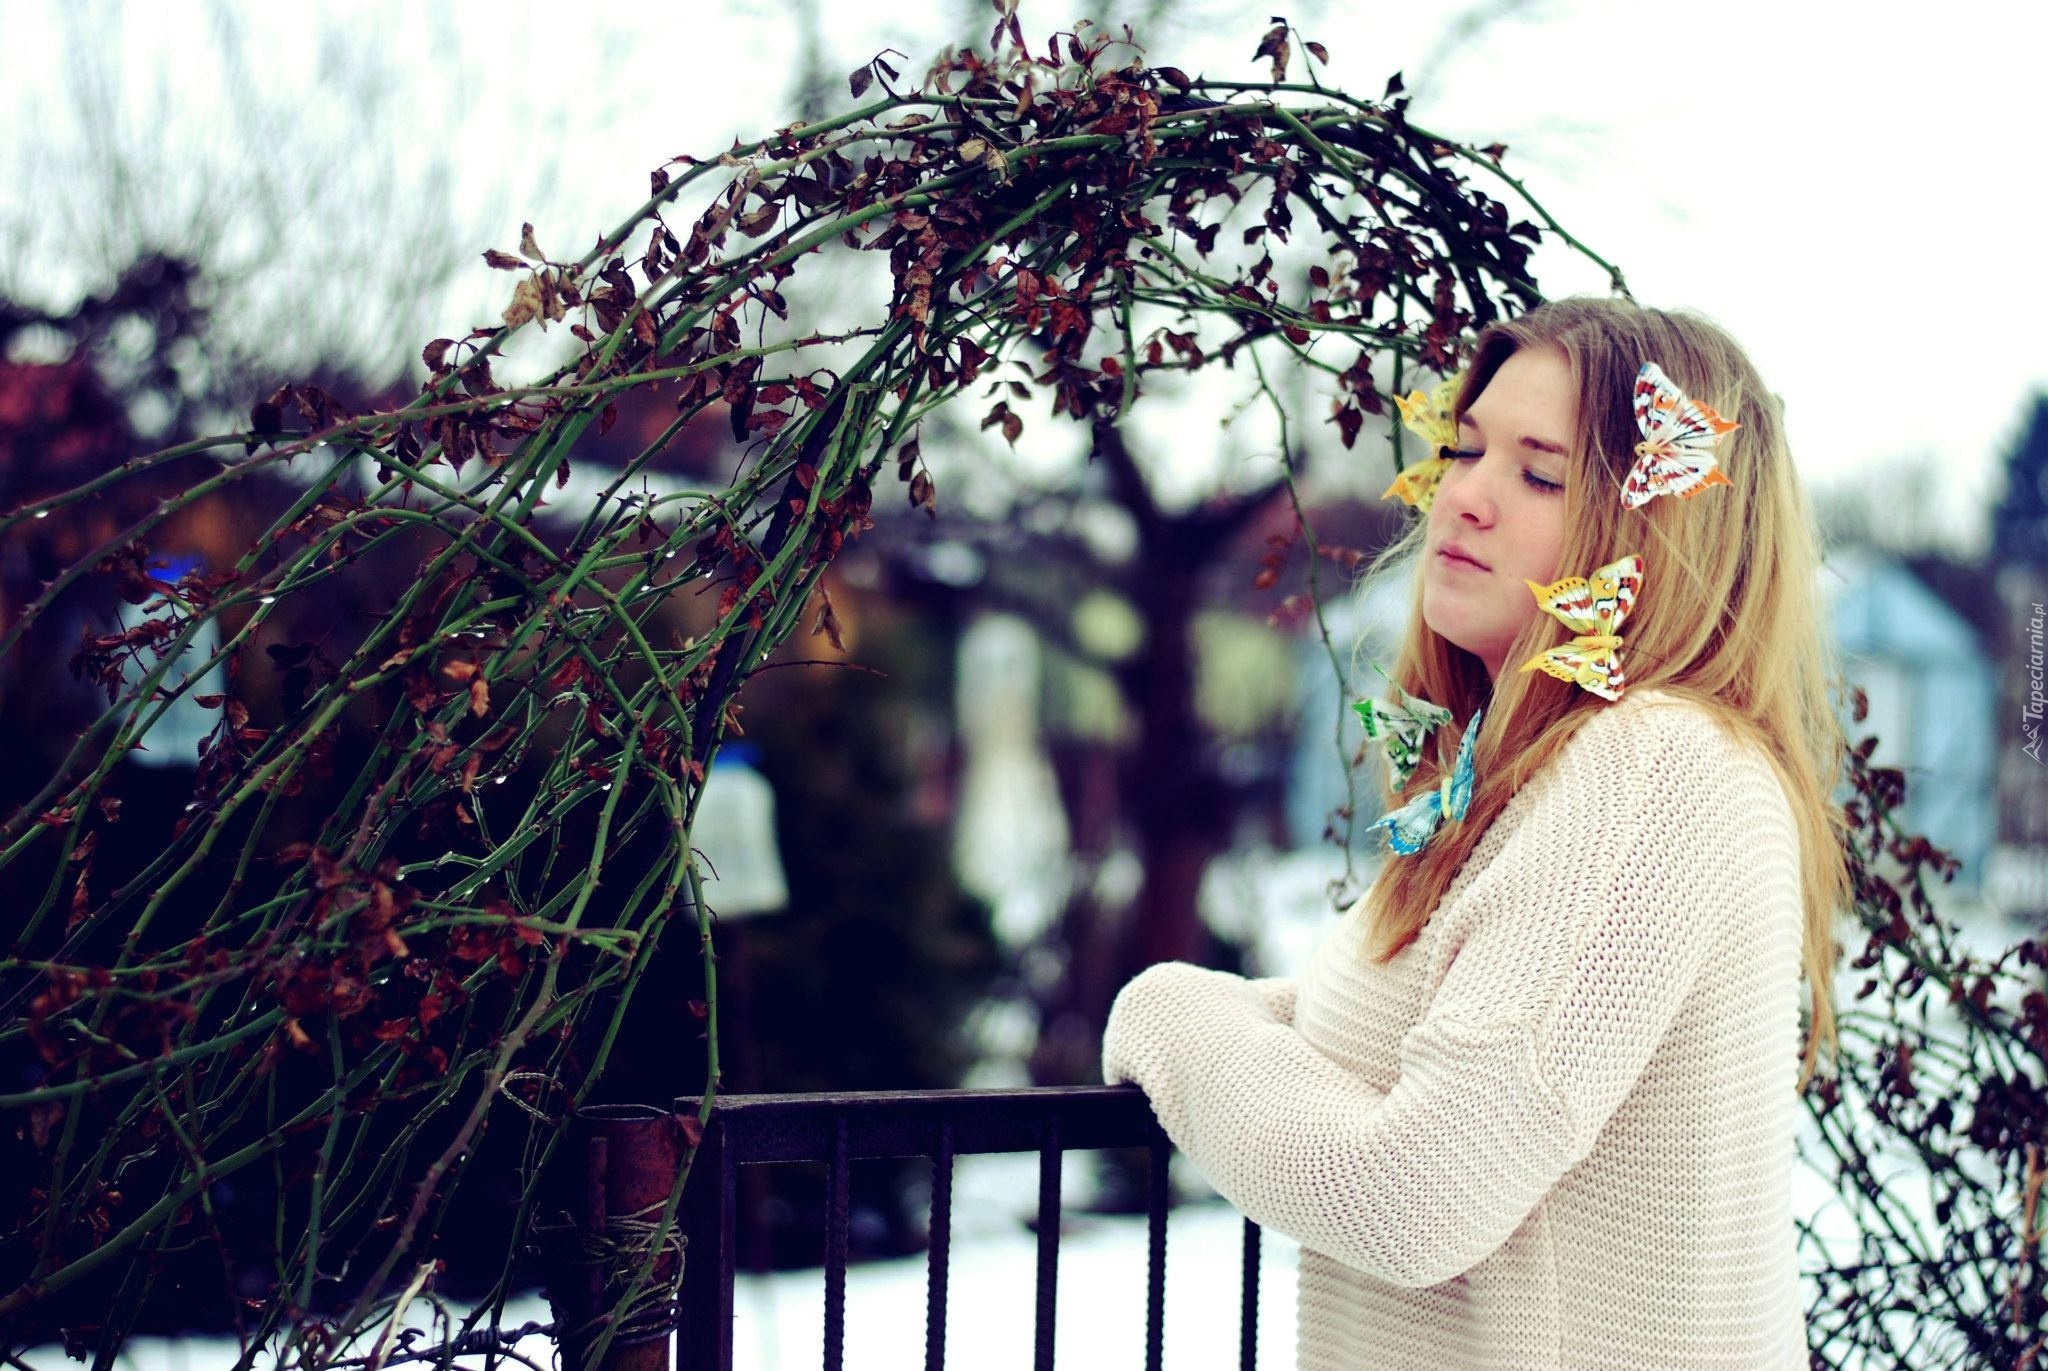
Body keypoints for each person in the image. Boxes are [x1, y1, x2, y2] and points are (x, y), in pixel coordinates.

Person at [1102, 296, 1848, 1370]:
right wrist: (1238, 1013)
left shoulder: (1655, 768)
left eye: (1540, 475)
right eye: (1464, 450)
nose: (1464, 496)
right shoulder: (1521, 778)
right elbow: (1406, 1038)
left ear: (1661, 528)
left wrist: (1165, 1012)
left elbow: (1413, 1195)